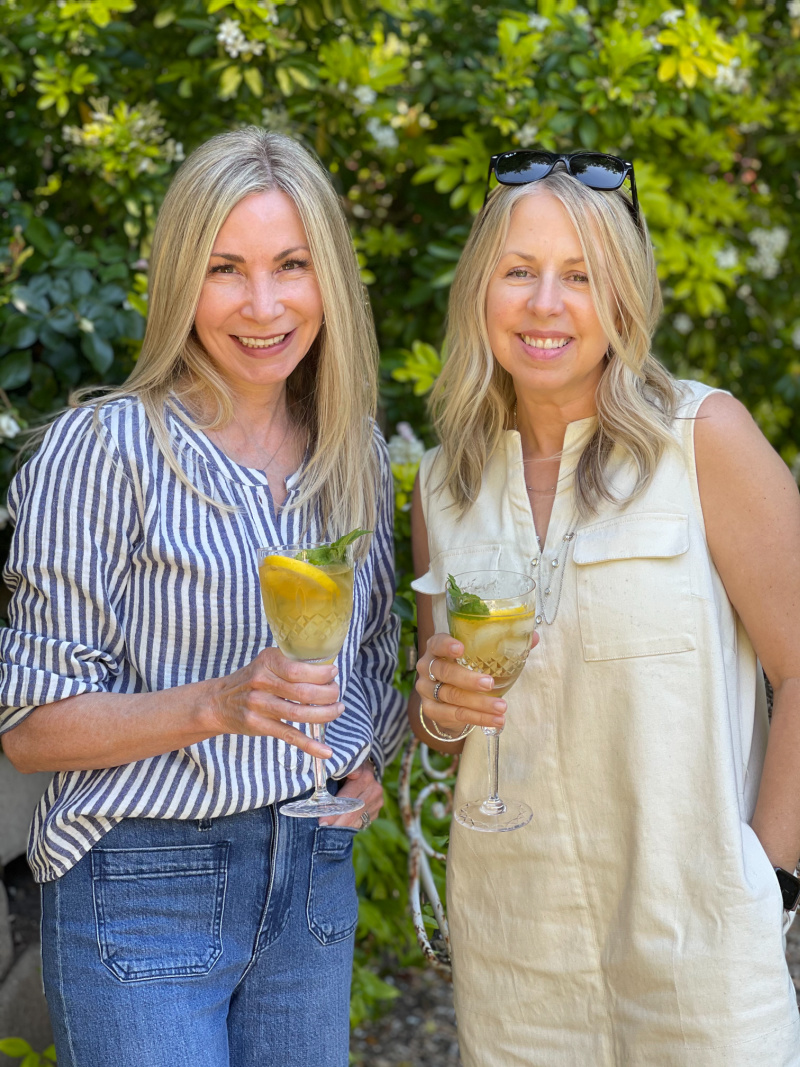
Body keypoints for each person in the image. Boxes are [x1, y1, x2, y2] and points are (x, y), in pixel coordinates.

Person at [0, 127, 405, 1067]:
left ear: (329, 280)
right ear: (182, 278)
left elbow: (370, 660)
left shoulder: (355, 460)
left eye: (291, 265)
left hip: (311, 876)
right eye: (226, 268)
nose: (262, 305)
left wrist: (363, 758)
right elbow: (29, 727)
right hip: (144, 879)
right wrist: (218, 703)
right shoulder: (103, 453)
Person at [409, 150, 800, 1065]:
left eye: (580, 276)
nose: (547, 304)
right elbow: (453, 725)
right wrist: (435, 701)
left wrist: (770, 882)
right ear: (480, 292)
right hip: (516, 959)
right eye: (519, 271)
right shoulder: (444, 486)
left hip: (699, 963)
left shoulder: (702, 439)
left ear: (622, 297)